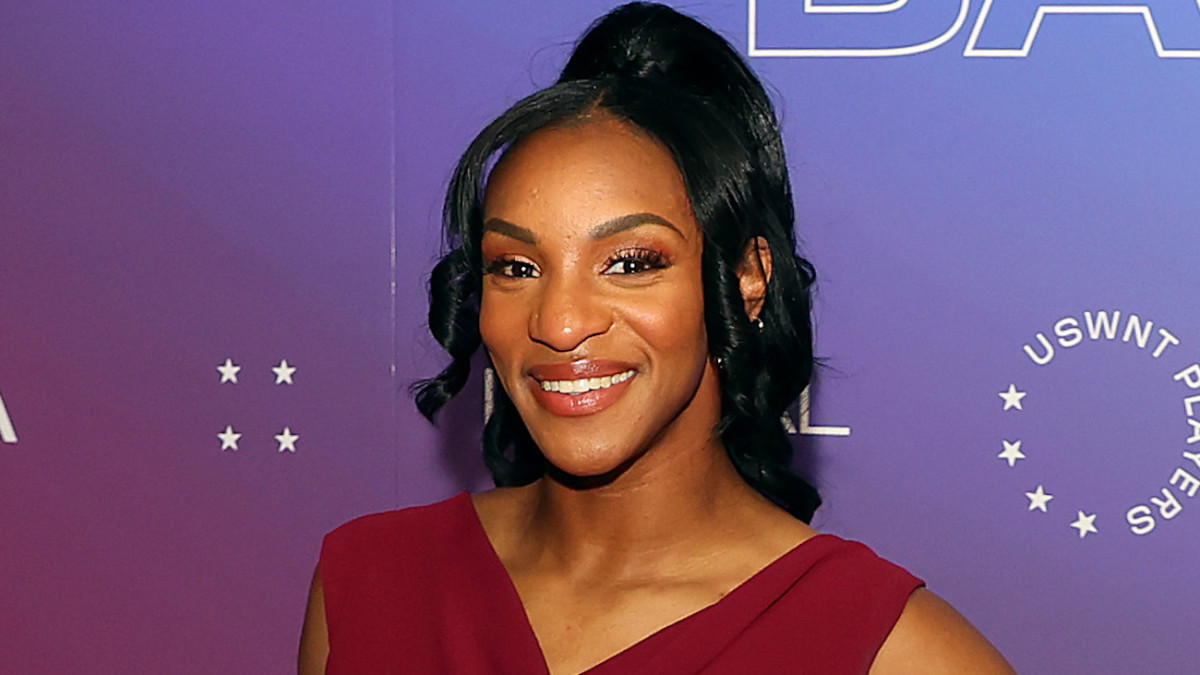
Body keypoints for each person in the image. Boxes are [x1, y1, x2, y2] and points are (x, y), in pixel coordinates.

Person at [299, 3, 1013, 673]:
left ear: (747, 279)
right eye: (517, 266)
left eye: (631, 263)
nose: (560, 322)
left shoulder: (892, 651)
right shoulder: (368, 585)